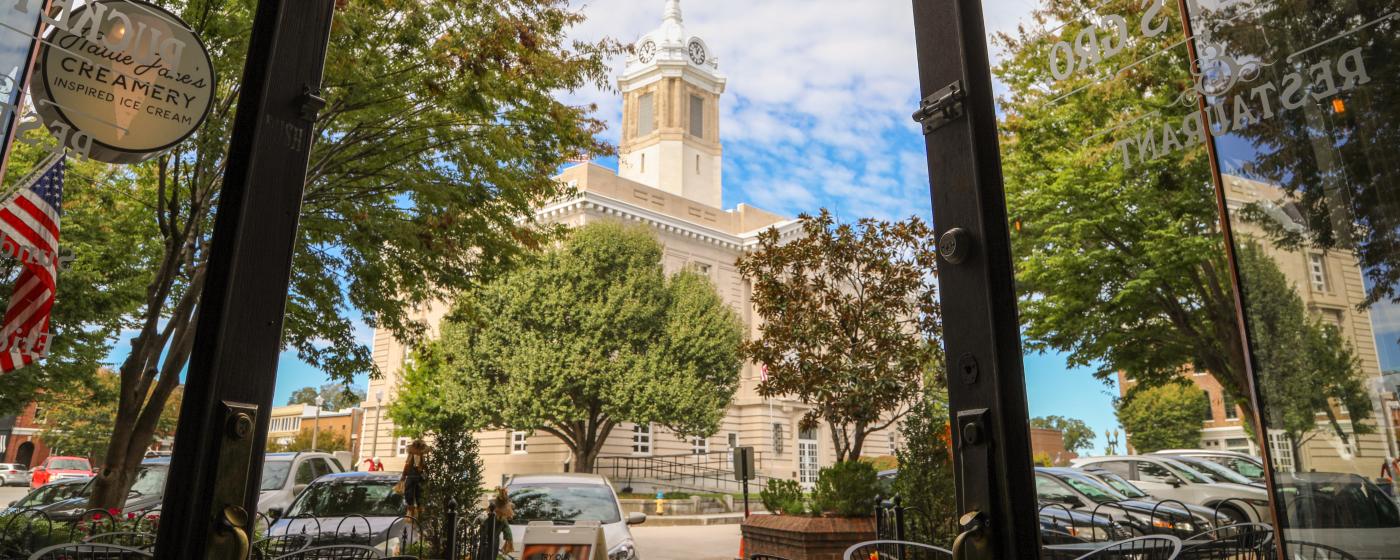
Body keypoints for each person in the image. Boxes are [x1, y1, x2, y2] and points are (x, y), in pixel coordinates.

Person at [399, 440, 426, 521]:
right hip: (414, 477)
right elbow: (407, 466)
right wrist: (404, 476)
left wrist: (404, 476)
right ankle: (414, 513)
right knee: (413, 495)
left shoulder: (420, 457)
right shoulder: (414, 456)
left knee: (416, 496)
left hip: (415, 478)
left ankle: (415, 513)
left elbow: (408, 466)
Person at [486, 487, 515, 560]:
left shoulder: (499, 518)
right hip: (490, 542)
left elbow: (507, 532)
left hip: (490, 542)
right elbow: (508, 532)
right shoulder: (501, 519)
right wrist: (509, 542)